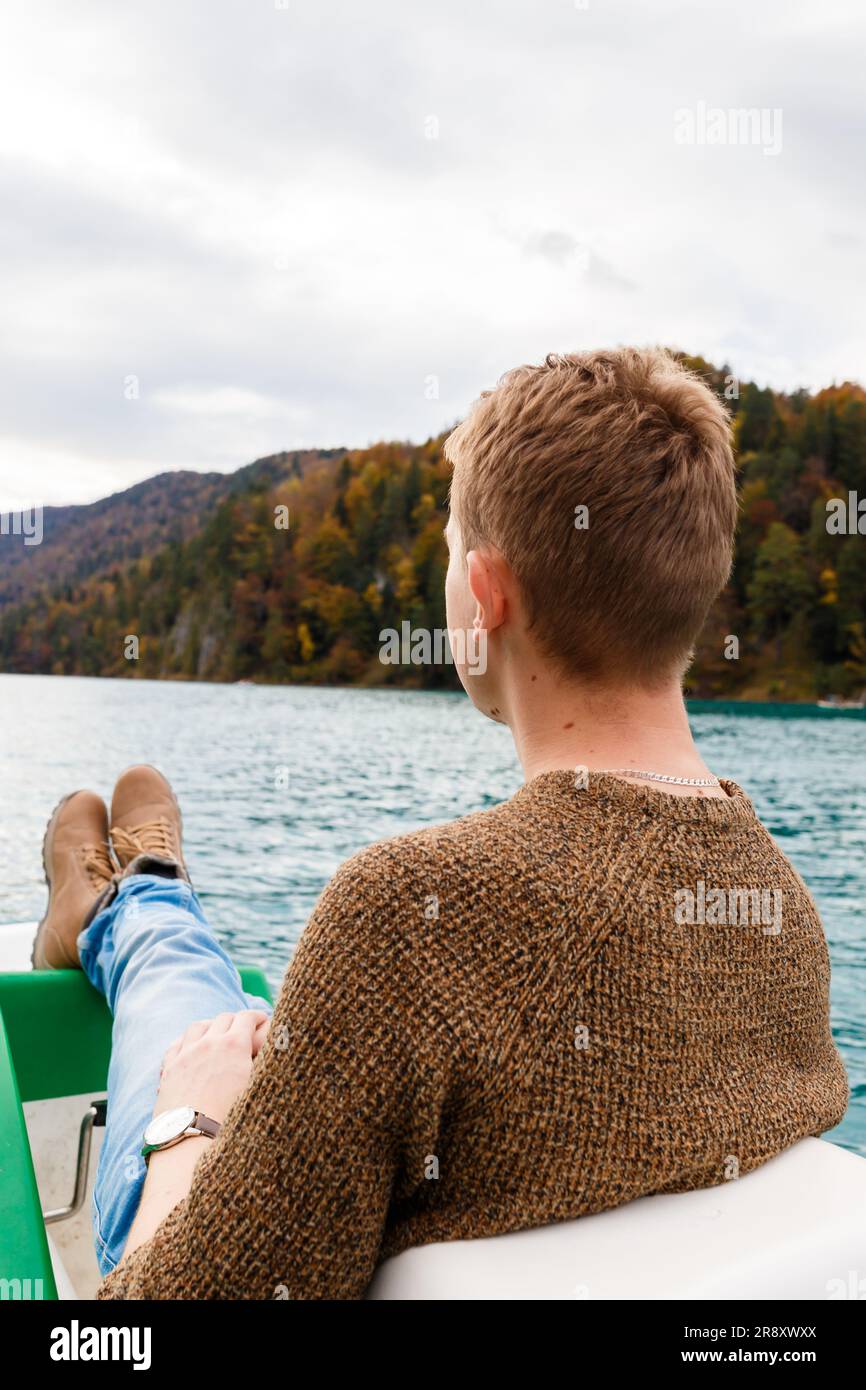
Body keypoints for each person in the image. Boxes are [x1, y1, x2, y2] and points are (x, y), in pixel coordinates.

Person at [33, 348, 848, 1300]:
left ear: (488, 594)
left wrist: (192, 1121)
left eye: (454, 548)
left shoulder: (405, 916)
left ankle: (130, 908)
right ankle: (138, 903)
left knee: (197, 1026)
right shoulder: (778, 902)